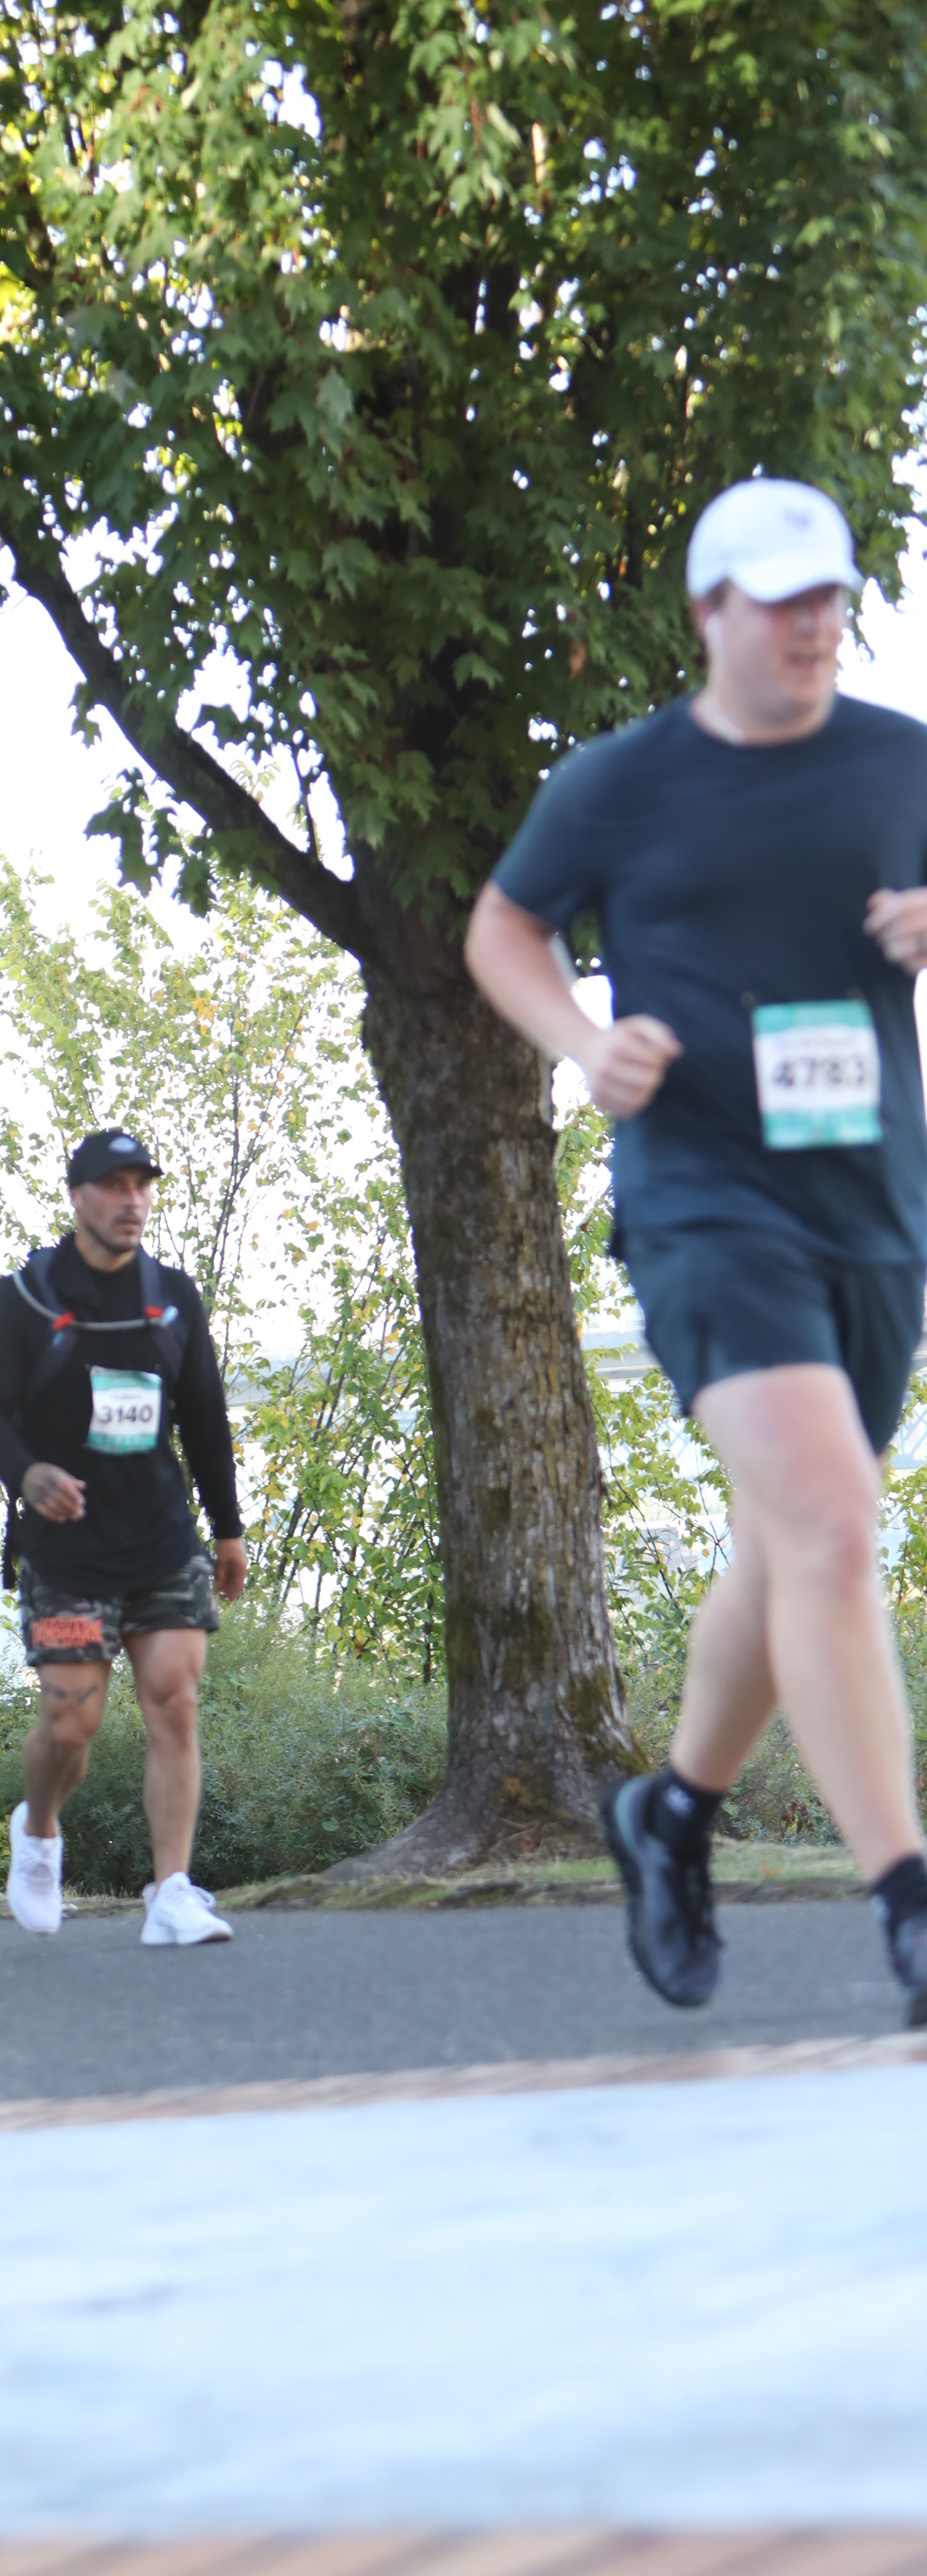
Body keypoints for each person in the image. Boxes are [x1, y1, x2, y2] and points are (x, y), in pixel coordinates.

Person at [465, 474, 927, 2016]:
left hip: (874, 1211)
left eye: (830, 599)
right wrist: (583, 1045)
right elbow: (502, 928)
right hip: (704, 1201)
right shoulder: (619, 782)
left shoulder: (901, 761)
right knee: (835, 1526)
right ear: (709, 612)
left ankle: (671, 1813)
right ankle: (908, 1900)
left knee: (792, 1544)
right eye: (783, 602)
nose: (814, 626)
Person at [0, 1128, 251, 1943]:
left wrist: (227, 1528)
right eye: (114, 1185)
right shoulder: (25, 1298)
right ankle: (38, 1833)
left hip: (162, 1538)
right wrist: (26, 1473)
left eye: (142, 1185)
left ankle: (172, 1893)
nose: (133, 1201)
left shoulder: (174, 1297)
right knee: (71, 1725)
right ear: (77, 1196)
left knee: (175, 1702)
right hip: (67, 1551)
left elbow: (205, 1418)